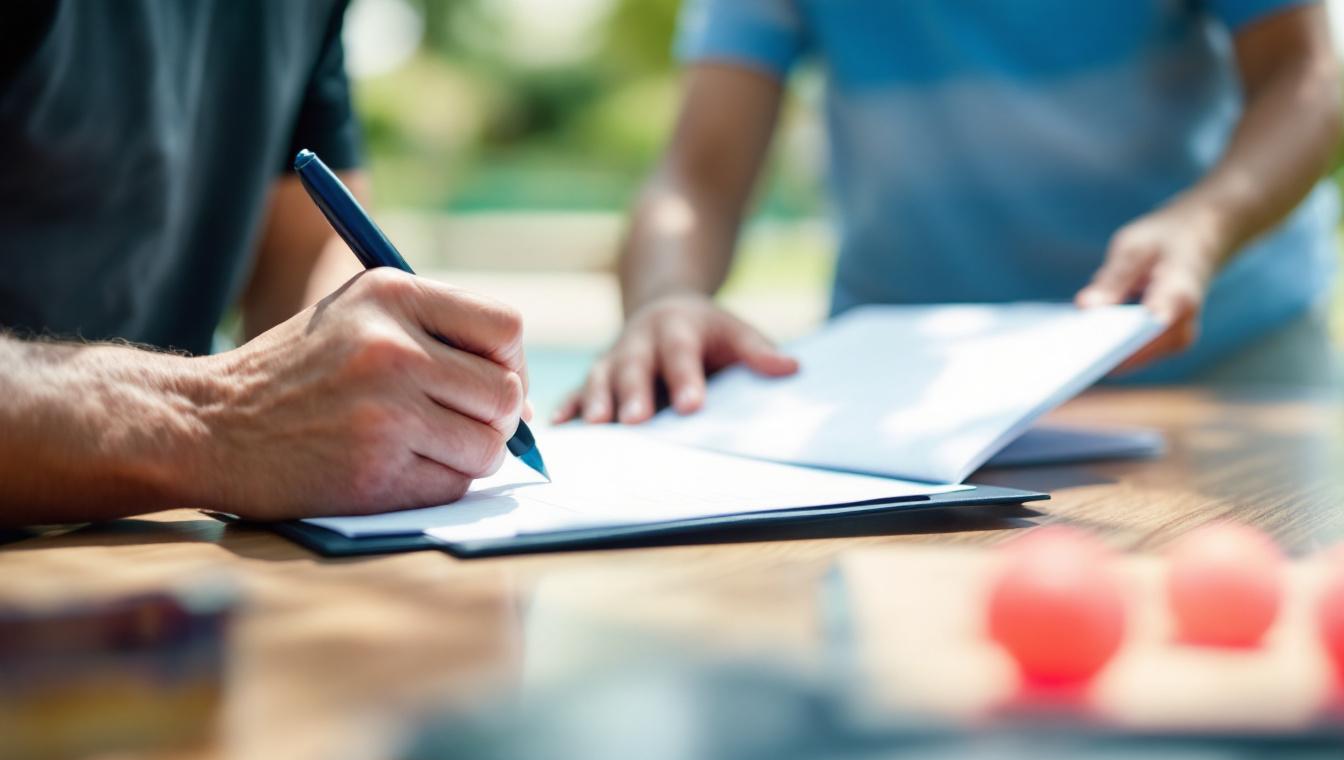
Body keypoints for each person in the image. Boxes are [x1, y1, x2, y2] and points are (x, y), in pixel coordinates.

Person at [558, 0, 1342, 426]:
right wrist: (666, 297)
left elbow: (1311, 71)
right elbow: (699, 174)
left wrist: (1205, 222)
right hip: (897, 406)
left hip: (1220, 365)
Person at [0, 1, 527, 525]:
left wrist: (388, 373)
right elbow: (246, 411)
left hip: (157, 558)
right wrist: (217, 419)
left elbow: (309, 254)